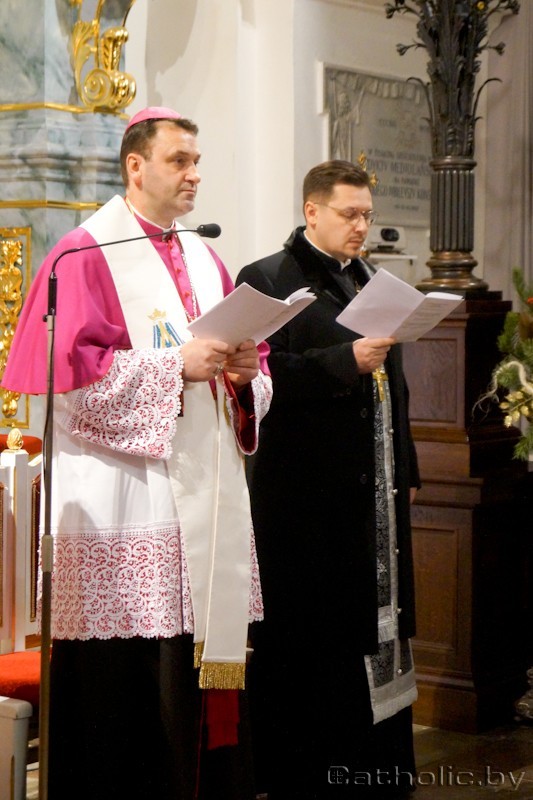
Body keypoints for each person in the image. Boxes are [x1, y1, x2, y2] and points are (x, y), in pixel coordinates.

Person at [2, 107, 272, 800]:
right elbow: (72, 389)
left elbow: (249, 370)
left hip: (202, 500)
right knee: (125, 699)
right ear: (136, 165)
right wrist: (176, 366)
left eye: (196, 160)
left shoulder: (203, 255)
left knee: (192, 677)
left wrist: (245, 373)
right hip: (124, 504)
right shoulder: (83, 255)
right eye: (179, 160)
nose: (194, 173)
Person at [237, 160, 420, 799]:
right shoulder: (267, 278)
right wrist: (343, 360)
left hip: (372, 489)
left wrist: (407, 468)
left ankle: (373, 768)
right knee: (310, 636)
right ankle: (307, 775)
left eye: (367, 214)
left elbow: (396, 385)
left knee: (368, 627)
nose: (361, 226)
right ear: (312, 210)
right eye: (349, 214)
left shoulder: (371, 279)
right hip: (302, 496)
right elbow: (255, 377)